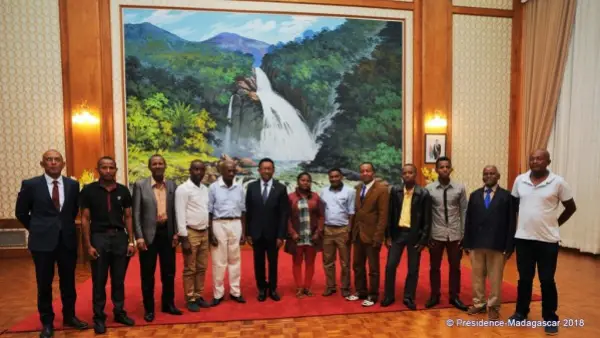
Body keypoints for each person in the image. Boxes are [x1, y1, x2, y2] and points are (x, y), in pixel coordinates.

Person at [15, 150, 88, 338]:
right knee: (44, 284)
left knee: (68, 283)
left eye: (57, 160)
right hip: (41, 243)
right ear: (42, 164)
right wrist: (38, 228)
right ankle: (47, 322)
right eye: (49, 160)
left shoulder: (73, 185)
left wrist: (62, 227)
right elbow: (21, 212)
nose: (53, 163)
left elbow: (72, 211)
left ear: (63, 164)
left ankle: (70, 316)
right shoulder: (30, 185)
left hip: (67, 240)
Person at [509, 149, 577, 335]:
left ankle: (550, 317)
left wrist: (556, 223)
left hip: (548, 240)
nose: (535, 161)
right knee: (524, 279)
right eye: (532, 158)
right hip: (523, 239)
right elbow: (513, 206)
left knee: (546, 280)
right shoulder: (520, 180)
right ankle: (521, 312)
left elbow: (571, 207)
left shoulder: (558, 182)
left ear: (548, 161)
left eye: (539, 158)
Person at [80, 156, 135, 334]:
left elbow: (128, 217)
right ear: (98, 170)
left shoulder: (123, 191)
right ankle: (99, 317)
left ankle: (119, 312)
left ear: (116, 170)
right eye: (104, 167)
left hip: (120, 238)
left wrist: (131, 241)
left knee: (118, 279)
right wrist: (88, 246)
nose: (108, 171)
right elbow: (85, 218)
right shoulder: (89, 191)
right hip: (99, 238)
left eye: (111, 167)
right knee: (99, 280)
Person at [463, 165, 517, 320]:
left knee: (495, 277)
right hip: (477, 243)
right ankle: (479, 303)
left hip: (497, 244)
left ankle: (493, 306)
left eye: (492, 173)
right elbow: (469, 221)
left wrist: (509, 245)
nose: (488, 176)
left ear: (498, 176)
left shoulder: (507, 197)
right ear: (482, 176)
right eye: (485, 173)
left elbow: (511, 223)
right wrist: (467, 242)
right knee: (477, 276)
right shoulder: (474, 195)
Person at [132, 154, 181, 322]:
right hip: (148, 236)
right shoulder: (140, 185)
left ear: (165, 166)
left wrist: (176, 232)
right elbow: (136, 214)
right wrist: (138, 237)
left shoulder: (172, 185)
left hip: (167, 234)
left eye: (161, 163)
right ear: (150, 167)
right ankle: (149, 309)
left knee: (169, 273)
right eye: (155, 164)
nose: (158, 166)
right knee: (148, 274)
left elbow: (175, 211)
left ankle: (168, 304)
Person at [381, 164, 431, 310]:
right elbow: (389, 215)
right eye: (405, 173)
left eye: (410, 173)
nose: (407, 175)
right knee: (390, 266)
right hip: (397, 234)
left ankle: (409, 297)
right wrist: (388, 235)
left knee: (413, 269)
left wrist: (424, 240)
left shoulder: (423, 193)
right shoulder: (395, 191)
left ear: (415, 175)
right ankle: (389, 295)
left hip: (414, 235)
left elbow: (427, 219)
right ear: (401, 175)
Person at [425, 156, 468, 311]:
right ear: (436, 170)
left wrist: (464, 234)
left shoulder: (460, 188)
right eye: (441, 167)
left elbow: (464, 211)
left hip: (455, 234)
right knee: (434, 267)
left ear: (451, 169)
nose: (444, 169)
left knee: (455, 267)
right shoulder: (429, 189)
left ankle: (454, 296)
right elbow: (426, 214)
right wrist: (428, 235)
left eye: (447, 167)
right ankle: (434, 295)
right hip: (436, 233)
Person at [245, 158, 290, 302]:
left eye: (269, 168)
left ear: (273, 170)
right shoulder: (251, 187)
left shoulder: (281, 188)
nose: (266, 171)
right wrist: (248, 233)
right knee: (258, 263)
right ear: (259, 170)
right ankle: (262, 289)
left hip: (273, 234)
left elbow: (284, 214)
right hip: (256, 233)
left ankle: (273, 288)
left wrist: (281, 235)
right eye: (263, 168)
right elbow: (248, 211)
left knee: (273, 262)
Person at [346, 162, 389, 307]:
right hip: (358, 234)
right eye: (362, 171)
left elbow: (383, 216)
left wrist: (379, 236)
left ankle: (373, 294)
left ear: (373, 173)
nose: (365, 173)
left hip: (372, 235)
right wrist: (351, 232)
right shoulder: (357, 188)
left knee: (373, 268)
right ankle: (360, 291)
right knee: (357, 265)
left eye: (368, 171)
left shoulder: (382, 190)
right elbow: (356, 212)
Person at [208, 160, 247, 306]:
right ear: (221, 172)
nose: (231, 173)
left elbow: (243, 211)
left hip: (236, 223)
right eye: (228, 171)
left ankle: (235, 292)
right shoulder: (213, 188)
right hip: (219, 224)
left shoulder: (240, 188)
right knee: (219, 261)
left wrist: (244, 231)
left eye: (233, 171)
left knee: (235, 259)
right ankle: (218, 294)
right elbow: (209, 211)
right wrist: (210, 232)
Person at [175, 160, 211, 312]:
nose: (198, 172)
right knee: (190, 268)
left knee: (202, 267)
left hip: (204, 232)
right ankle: (190, 298)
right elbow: (179, 213)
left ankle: (198, 294)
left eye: (201, 170)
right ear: (190, 170)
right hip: (190, 233)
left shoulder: (204, 188)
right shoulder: (183, 189)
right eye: (195, 169)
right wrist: (184, 238)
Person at [284, 172, 324, 298]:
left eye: (307, 180)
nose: (305, 182)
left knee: (310, 263)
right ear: (298, 182)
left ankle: (307, 287)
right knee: (297, 263)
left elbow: (321, 216)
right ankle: (299, 288)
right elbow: (287, 218)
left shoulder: (316, 197)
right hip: (297, 237)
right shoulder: (290, 198)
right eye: (302, 180)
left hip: (311, 237)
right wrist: (292, 233)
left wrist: (318, 232)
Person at [320, 168, 355, 298]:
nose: (334, 179)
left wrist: (349, 231)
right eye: (331, 177)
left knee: (345, 262)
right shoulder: (323, 192)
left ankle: (345, 287)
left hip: (343, 230)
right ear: (329, 178)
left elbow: (352, 212)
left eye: (336, 176)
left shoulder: (350, 191)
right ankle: (330, 286)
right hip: (327, 229)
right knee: (328, 261)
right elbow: (321, 211)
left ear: (341, 177)